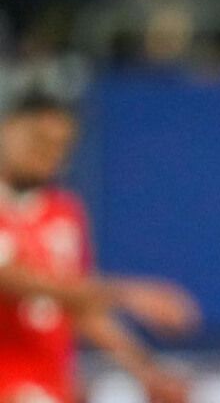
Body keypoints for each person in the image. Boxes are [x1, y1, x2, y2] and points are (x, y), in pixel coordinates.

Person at [0, 93, 202, 403]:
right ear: (7, 130)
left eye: (61, 146)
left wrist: (147, 370)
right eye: (39, 140)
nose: (49, 155)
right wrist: (128, 293)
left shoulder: (64, 211)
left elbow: (81, 305)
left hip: (52, 386)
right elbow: (15, 280)